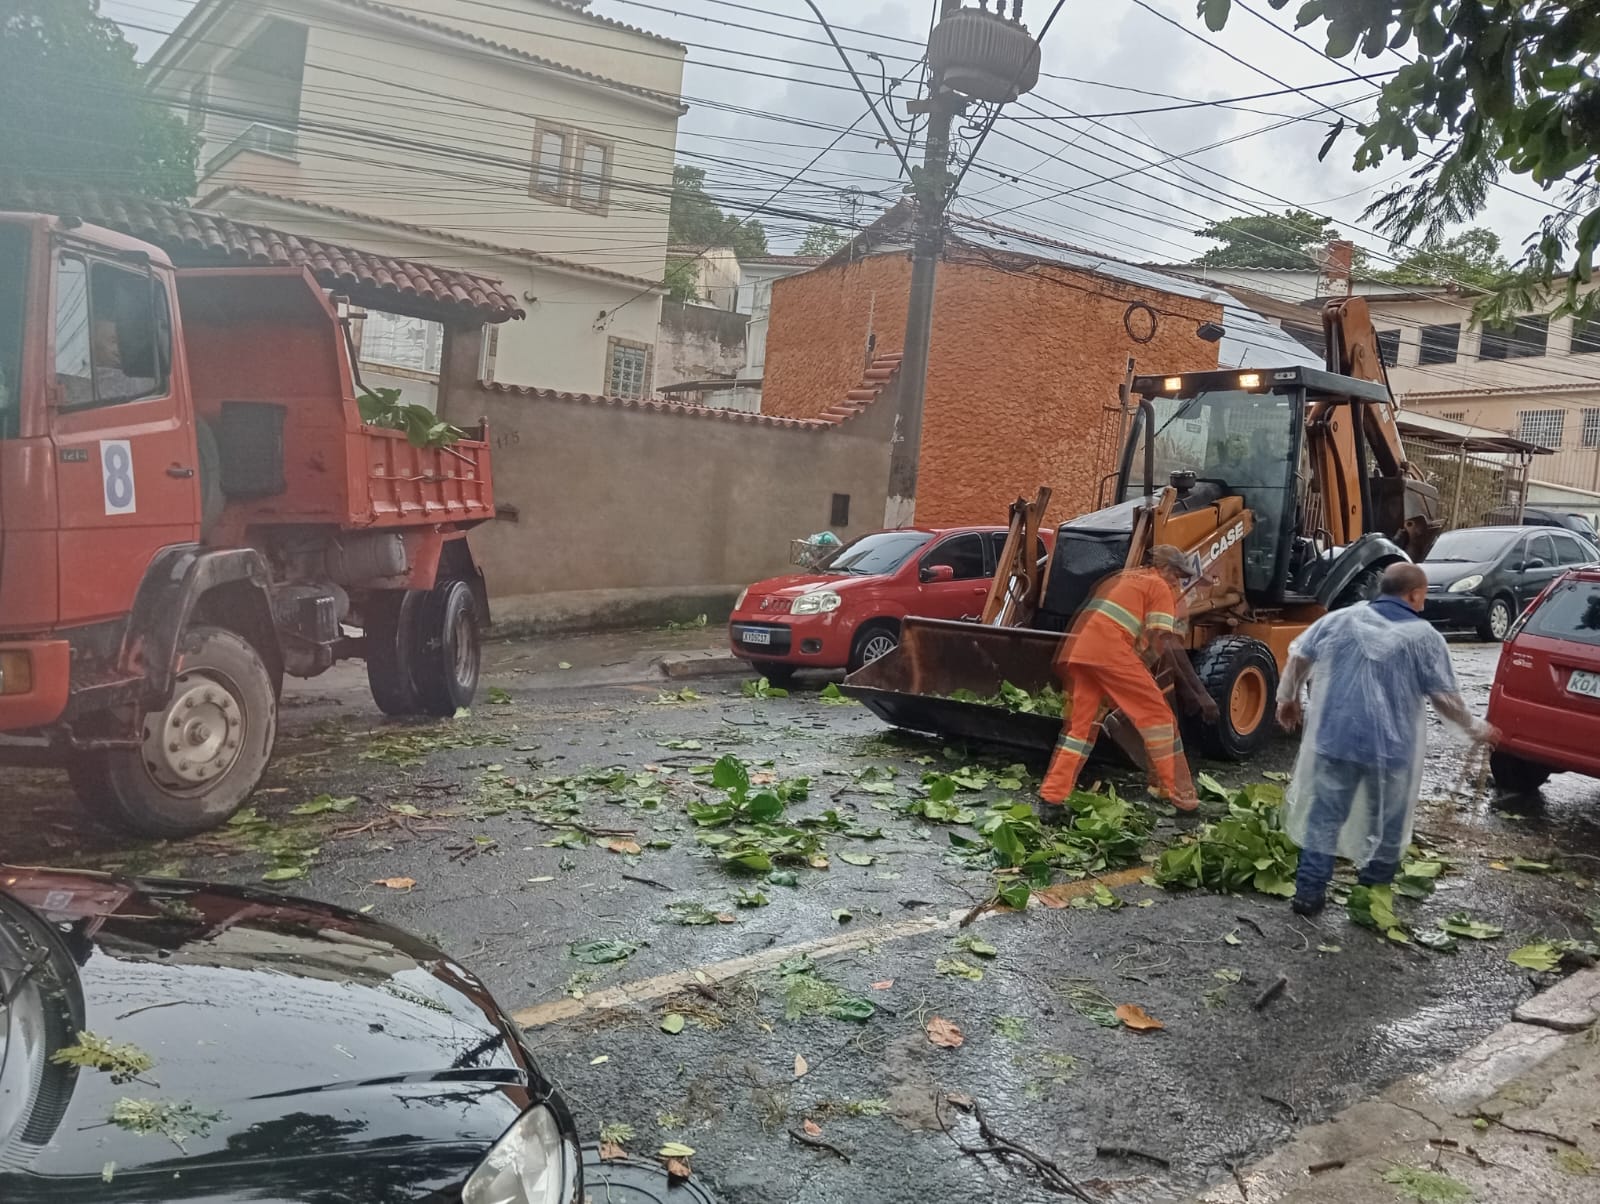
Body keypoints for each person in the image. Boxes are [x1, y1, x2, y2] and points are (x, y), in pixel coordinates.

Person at [1276, 562, 1499, 916]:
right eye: (1422, 597)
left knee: (1324, 818)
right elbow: (1444, 698)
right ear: (1413, 594)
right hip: (1392, 752)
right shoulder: (1425, 637)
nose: (1423, 604)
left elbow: (1300, 655)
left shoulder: (1339, 620)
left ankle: (1308, 894)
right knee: (1388, 823)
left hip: (1335, 739)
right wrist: (1475, 728)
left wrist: (1288, 698)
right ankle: (1370, 898)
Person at [1039, 545, 1220, 814]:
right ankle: (1182, 799)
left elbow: (1139, 637)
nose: (1178, 584)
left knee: (1080, 731)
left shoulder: (1127, 578)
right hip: (1111, 654)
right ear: (1168, 570)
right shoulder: (1159, 586)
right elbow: (1167, 643)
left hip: (1082, 653)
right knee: (1160, 721)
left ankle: (1051, 799)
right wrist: (1200, 694)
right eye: (1179, 577)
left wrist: (1143, 667)